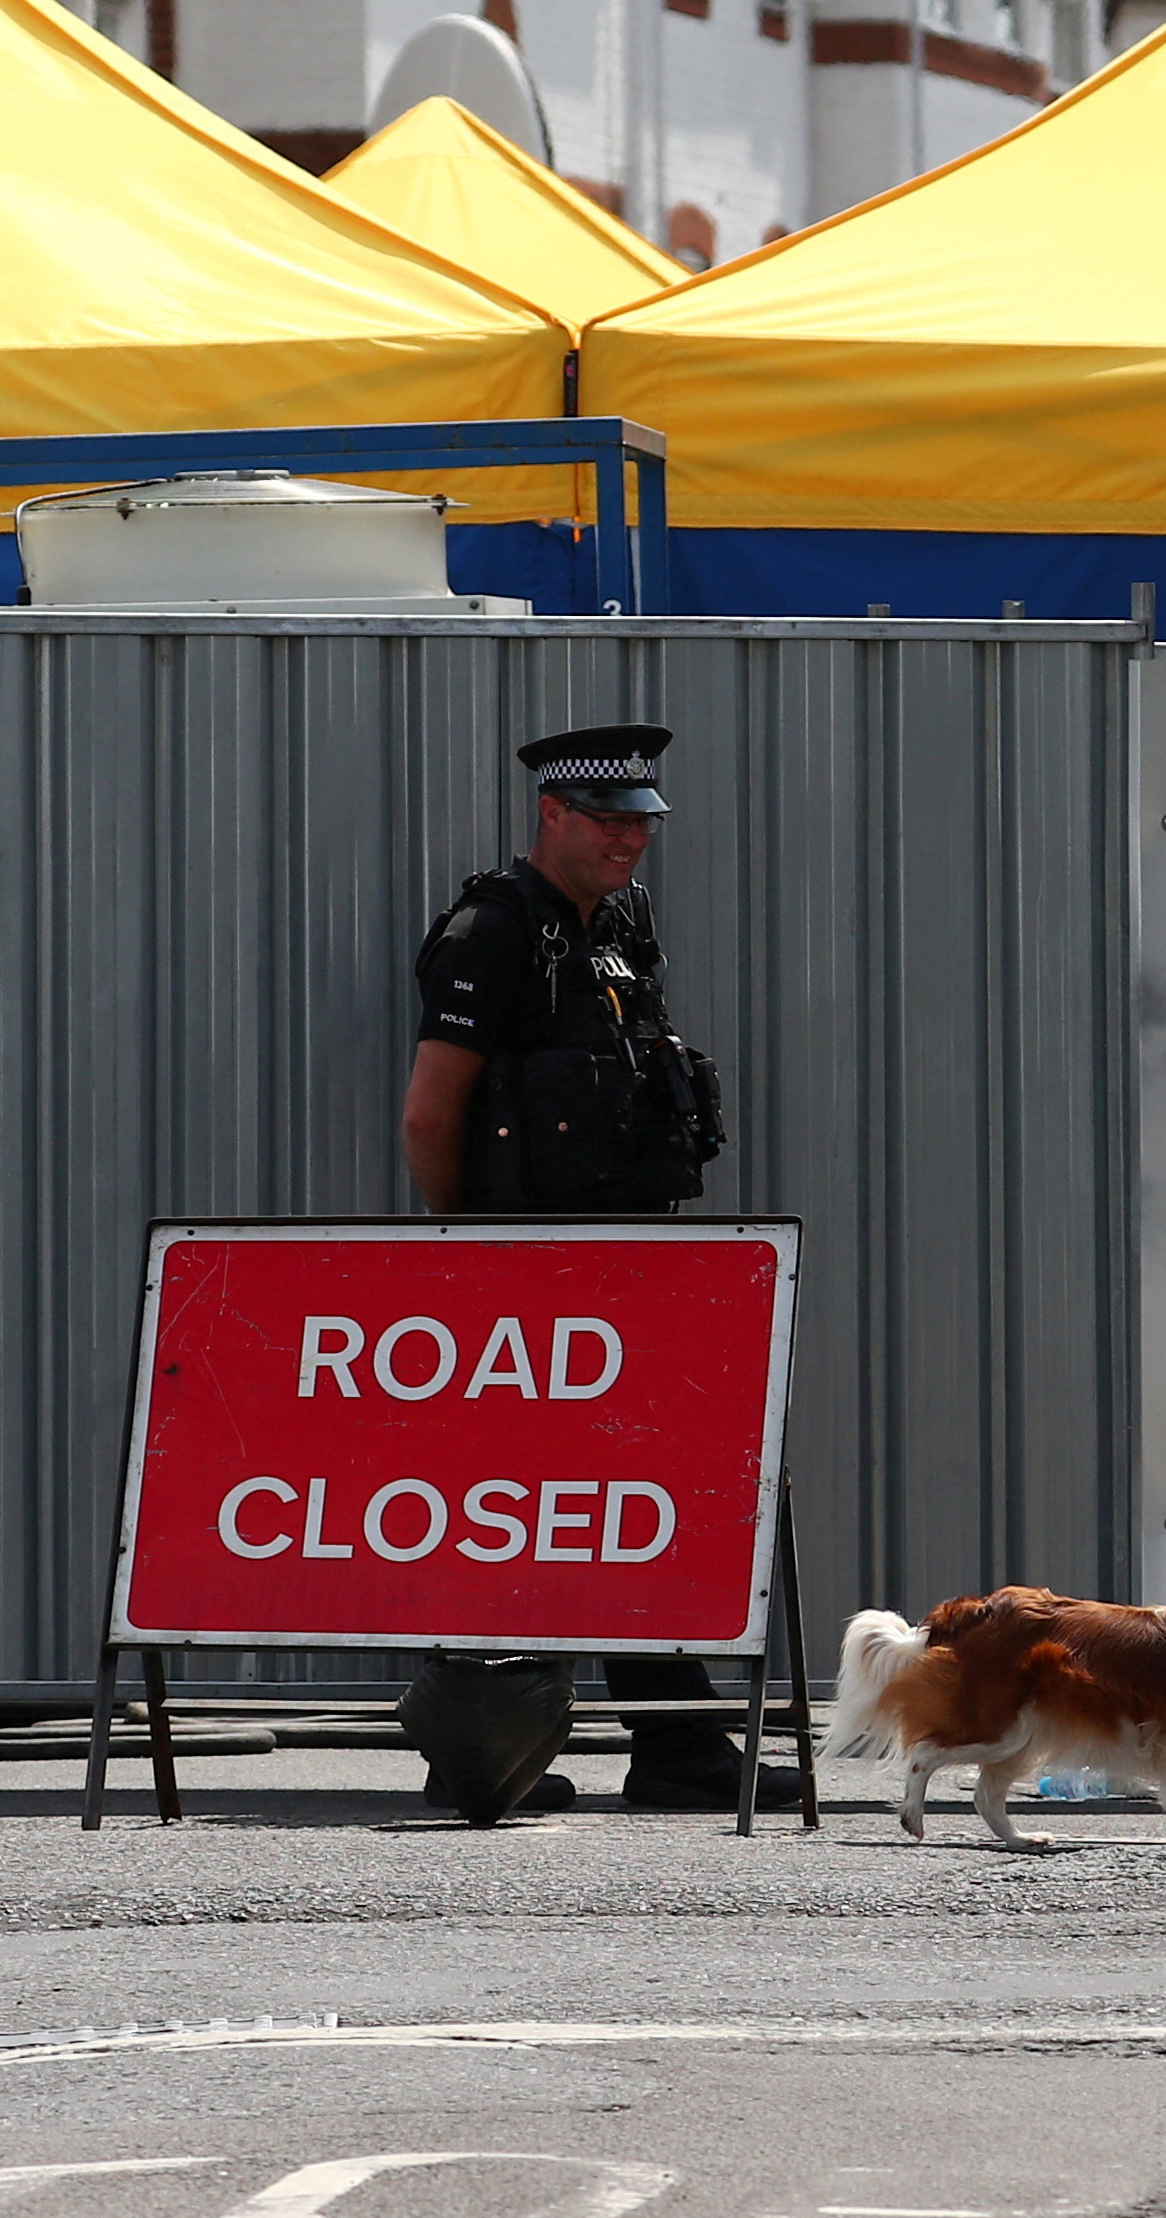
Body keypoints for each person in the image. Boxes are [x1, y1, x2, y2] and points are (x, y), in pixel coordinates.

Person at [395, 721, 762, 1817]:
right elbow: (430, 1114)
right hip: (530, 1267)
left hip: (625, 1258)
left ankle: (676, 1749)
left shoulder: (618, 925)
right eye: (608, 822)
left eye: (641, 822)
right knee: (527, 1505)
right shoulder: (493, 931)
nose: (630, 841)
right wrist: (472, 1254)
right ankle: (475, 1748)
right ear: (552, 815)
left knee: (622, 1496)